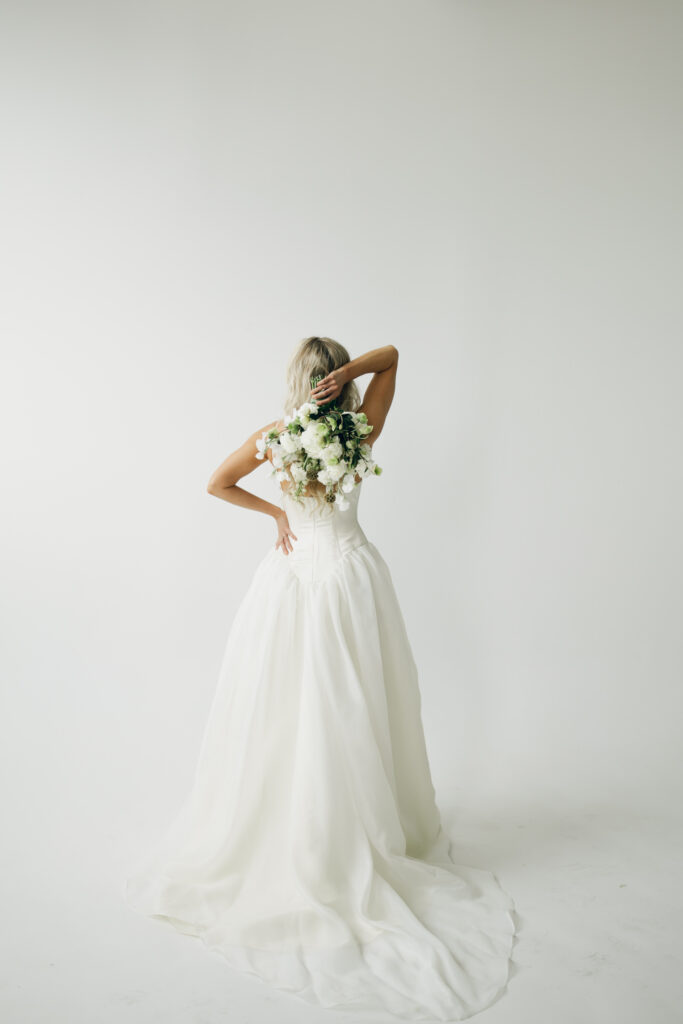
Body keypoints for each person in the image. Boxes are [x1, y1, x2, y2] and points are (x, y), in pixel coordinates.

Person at [123, 336, 517, 1020]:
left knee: (289, 707)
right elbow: (392, 354)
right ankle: (341, 830)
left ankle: (305, 828)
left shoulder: (277, 434)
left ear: (296, 380)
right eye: (335, 374)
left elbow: (217, 482)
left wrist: (277, 512)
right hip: (349, 577)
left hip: (292, 577)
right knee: (348, 705)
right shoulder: (362, 427)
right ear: (336, 377)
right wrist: (353, 375)